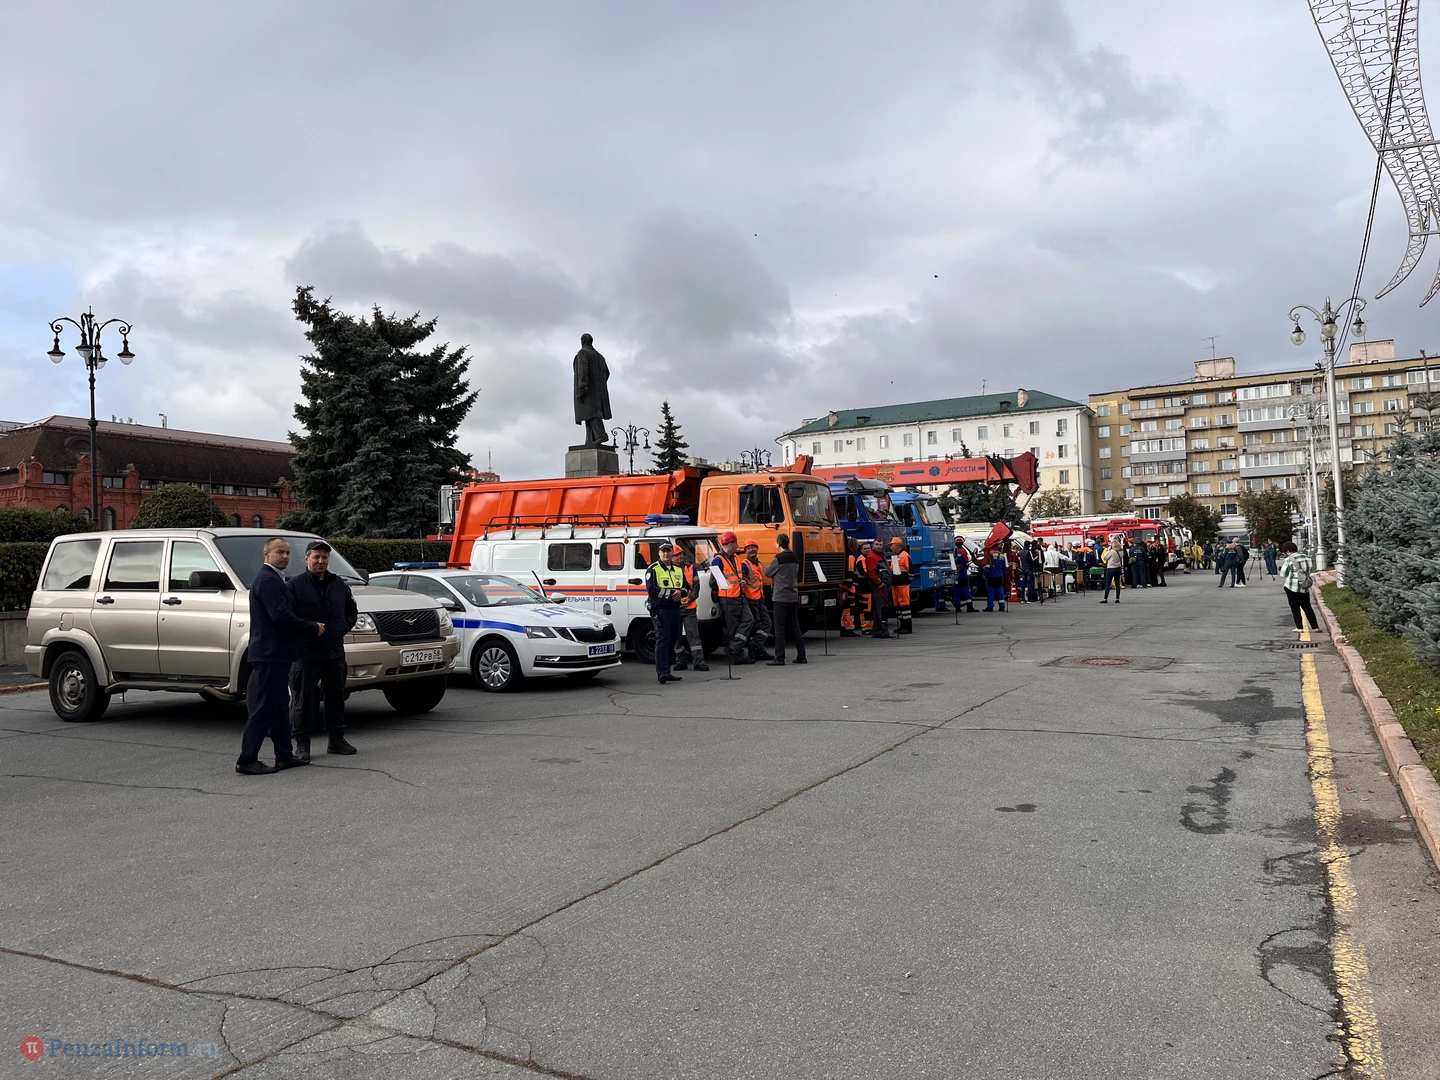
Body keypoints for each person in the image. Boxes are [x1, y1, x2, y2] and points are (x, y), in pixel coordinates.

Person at [236, 538, 323, 775]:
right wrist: (312, 627)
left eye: (287, 552)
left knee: (279, 706)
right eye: (279, 552)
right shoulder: (268, 580)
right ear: (266, 554)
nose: (285, 556)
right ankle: (247, 759)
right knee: (264, 707)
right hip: (270, 655)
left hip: (278, 654)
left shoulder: (276, 578)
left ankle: (284, 755)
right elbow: (281, 616)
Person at [287, 540, 359, 762]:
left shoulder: (338, 585)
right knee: (304, 699)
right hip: (307, 652)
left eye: (324, 557)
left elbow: (351, 612)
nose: (321, 561)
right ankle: (302, 744)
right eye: (316, 557)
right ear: (307, 558)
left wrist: (340, 630)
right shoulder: (295, 586)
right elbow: (289, 618)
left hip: (334, 652)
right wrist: (309, 630)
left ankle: (336, 739)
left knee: (336, 696)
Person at [764, 534, 808, 665]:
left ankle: (780, 657)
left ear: (778, 543)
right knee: (795, 626)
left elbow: (767, 572)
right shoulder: (795, 557)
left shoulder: (778, 559)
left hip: (780, 597)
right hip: (793, 596)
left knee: (779, 627)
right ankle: (801, 655)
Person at [645, 542, 686, 684]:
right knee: (662, 640)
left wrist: (680, 593)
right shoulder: (653, 569)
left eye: (668, 551)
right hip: (661, 610)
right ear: (659, 553)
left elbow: (686, 587)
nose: (666, 553)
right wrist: (671, 594)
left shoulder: (678, 570)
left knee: (672, 640)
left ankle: (667, 670)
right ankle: (662, 672)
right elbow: (652, 590)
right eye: (663, 551)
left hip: (675, 609)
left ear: (672, 552)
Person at [711, 532, 754, 665]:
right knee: (733, 628)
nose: (737, 545)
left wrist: (743, 580)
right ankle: (736, 655)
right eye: (735, 543)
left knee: (749, 620)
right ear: (730, 544)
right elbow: (713, 581)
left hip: (740, 596)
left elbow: (740, 574)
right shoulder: (718, 560)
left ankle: (733, 648)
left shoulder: (735, 557)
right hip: (728, 598)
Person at [670, 549, 709, 672]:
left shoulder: (691, 568)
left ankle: (699, 662)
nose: (680, 557)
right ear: (671, 557)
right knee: (676, 637)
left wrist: (690, 599)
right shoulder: (668, 570)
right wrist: (678, 601)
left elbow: (696, 587)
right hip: (675, 608)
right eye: (676, 555)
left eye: (681, 554)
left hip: (689, 607)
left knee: (694, 636)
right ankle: (681, 661)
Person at [1278, 541, 1323, 633]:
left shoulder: (1288, 560)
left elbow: (1283, 574)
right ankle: (1315, 627)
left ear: (1287, 551)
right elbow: (1309, 570)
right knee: (1307, 606)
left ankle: (1299, 627)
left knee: (1295, 608)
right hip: (1304, 585)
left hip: (1292, 586)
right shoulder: (1307, 557)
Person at [741, 540, 773, 660]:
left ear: (757, 548)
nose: (751, 550)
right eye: (748, 548)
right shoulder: (745, 565)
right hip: (750, 600)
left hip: (759, 599)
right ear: (745, 551)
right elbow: (742, 579)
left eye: (753, 547)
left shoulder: (758, 564)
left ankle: (755, 645)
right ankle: (758, 650)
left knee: (767, 623)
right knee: (757, 625)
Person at [866, 540, 895, 637]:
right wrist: (879, 583)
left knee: (880, 608)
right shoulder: (872, 557)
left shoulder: (880, 555)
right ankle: (883, 631)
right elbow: (871, 572)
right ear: (873, 545)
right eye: (877, 544)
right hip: (879, 587)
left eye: (880, 545)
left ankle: (877, 630)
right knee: (882, 608)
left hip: (883, 585)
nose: (879, 546)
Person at [888, 537, 914, 633]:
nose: (891, 547)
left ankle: (907, 627)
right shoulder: (896, 556)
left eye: (892, 545)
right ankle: (902, 625)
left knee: (904, 606)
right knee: (898, 606)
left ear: (897, 546)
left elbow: (911, 571)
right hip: (896, 585)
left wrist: (906, 582)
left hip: (902, 586)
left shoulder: (904, 555)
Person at [952, 540, 976, 612]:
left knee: (956, 591)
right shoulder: (963, 552)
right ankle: (969, 607)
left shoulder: (952, 551)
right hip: (963, 575)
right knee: (966, 590)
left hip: (955, 575)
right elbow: (966, 561)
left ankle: (957, 607)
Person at [1100, 536, 1124, 603]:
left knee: (1108, 584)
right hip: (1118, 568)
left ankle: (1105, 598)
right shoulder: (1121, 551)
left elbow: (1105, 558)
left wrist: (1108, 550)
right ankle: (1117, 598)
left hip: (1110, 568)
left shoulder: (1111, 551)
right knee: (1117, 584)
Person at [983, 546, 1008, 612]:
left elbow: (987, 566)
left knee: (991, 592)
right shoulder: (1002, 555)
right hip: (999, 576)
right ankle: (1002, 606)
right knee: (1000, 591)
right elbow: (1004, 567)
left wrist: (985, 574)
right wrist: (1003, 574)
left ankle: (990, 607)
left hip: (991, 576)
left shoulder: (990, 554)